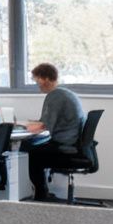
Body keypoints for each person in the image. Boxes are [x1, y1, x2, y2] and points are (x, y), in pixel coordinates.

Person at [22, 62, 84, 201]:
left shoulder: (55, 96)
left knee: (31, 152)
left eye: (37, 79)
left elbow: (45, 125)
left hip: (65, 145)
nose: (37, 84)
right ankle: (41, 191)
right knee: (36, 148)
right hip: (72, 142)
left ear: (46, 79)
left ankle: (40, 194)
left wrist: (22, 127)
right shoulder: (65, 93)